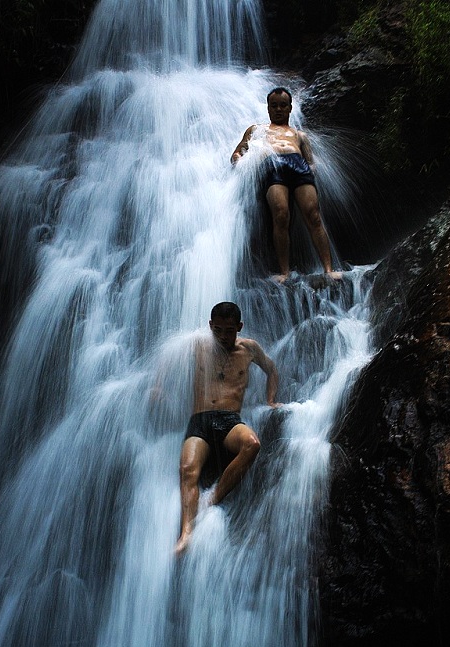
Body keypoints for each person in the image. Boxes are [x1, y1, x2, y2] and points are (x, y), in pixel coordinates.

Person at [175, 302, 281, 555]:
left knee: (252, 444)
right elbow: (166, 359)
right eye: (218, 330)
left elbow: (272, 369)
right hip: (200, 420)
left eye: (229, 331)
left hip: (229, 421)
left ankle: (212, 499)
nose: (222, 337)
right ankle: (186, 534)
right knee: (187, 468)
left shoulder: (250, 349)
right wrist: (158, 388)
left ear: (239, 328)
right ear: (210, 326)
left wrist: (270, 400)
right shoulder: (197, 345)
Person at [231, 87, 341, 282]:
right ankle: (284, 272)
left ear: (290, 108)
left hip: (299, 167)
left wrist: (312, 169)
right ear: (268, 108)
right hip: (272, 166)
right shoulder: (256, 130)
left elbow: (310, 161)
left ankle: (329, 269)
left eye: (283, 105)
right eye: (274, 106)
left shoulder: (300, 135)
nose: (278, 109)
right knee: (281, 215)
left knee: (314, 215)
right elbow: (238, 151)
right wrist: (240, 162)